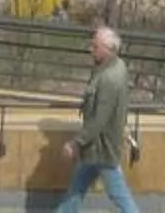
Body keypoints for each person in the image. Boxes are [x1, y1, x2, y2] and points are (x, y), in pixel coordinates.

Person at [56, 25, 139, 213]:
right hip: (96, 148)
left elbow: (99, 119)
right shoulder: (114, 67)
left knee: (119, 195)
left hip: (102, 148)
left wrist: (76, 143)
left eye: (95, 47)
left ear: (109, 49)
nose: (91, 50)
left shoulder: (109, 78)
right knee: (76, 189)